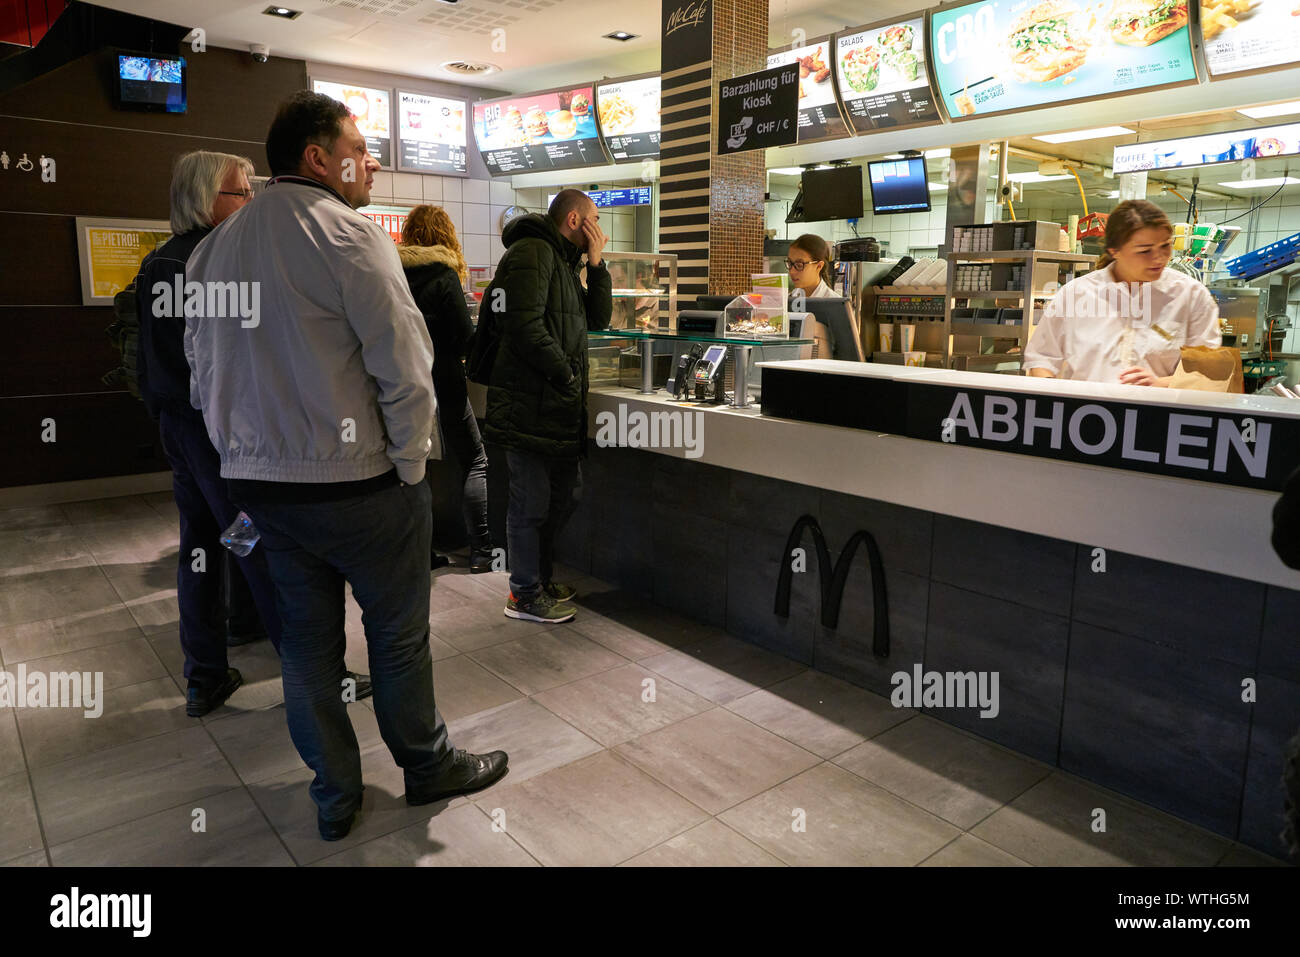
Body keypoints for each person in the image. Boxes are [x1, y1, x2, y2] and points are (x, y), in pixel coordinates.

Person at [185, 91, 507, 841]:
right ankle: (426, 767)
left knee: (305, 652)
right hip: (361, 485)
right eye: (360, 146)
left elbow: (204, 375)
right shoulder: (350, 237)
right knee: (397, 639)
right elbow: (406, 369)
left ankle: (335, 794)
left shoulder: (213, 251)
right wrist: (408, 468)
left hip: (265, 492)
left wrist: (243, 457)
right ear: (317, 157)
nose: (373, 159)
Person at [135, 151, 372, 719]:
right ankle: (312, 674)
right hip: (218, 436)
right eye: (241, 193)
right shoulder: (214, 263)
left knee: (199, 543)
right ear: (205, 200)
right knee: (255, 544)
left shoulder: (157, 263)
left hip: (178, 431)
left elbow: (152, 358)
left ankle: (204, 675)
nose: (250, 204)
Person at [478, 189, 612, 623]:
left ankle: (538, 578)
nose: (598, 228)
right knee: (530, 502)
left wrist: (596, 264)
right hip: (529, 403)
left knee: (562, 497)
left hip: (555, 407)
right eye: (593, 219)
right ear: (575, 220)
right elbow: (523, 324)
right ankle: (523, 593)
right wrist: (565, 373)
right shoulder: (533, 252)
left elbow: (598, 320)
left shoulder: (564, 261)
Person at [1023, 199, 1221, 385]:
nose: (1159, 257)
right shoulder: (1076, 294)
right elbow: (1042, 357)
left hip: (1157, 415)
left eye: (1165, 246)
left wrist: (1161, 384)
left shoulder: (1192, 296)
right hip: (1083, 414)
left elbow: (1208, 371)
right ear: (1114, 250)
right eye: (1145, 250)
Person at [397, 205, 495, 572]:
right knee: (475, 460)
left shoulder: (392, 273)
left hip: (403, 387)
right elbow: (465, 336)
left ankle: (419, 553)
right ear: (445, 235)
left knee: (414, 467)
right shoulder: (442, 273)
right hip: (444, 384)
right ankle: (483, 552)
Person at [786, 233, 838, 301]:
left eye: (799, 265)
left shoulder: (834, 304)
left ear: (819, 266)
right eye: (790, 263)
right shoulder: (788, 299)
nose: (791, 271)